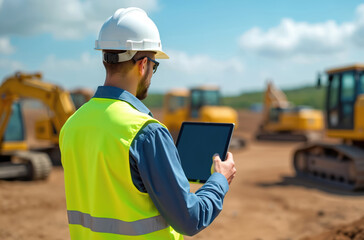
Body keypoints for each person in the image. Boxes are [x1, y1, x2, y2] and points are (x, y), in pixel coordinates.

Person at [59, 7, 236, 240]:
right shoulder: (146, 132)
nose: (152, 73)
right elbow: (190, 219)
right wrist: (219, 180)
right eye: (154, 66)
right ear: (143, 65)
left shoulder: (72, 124)